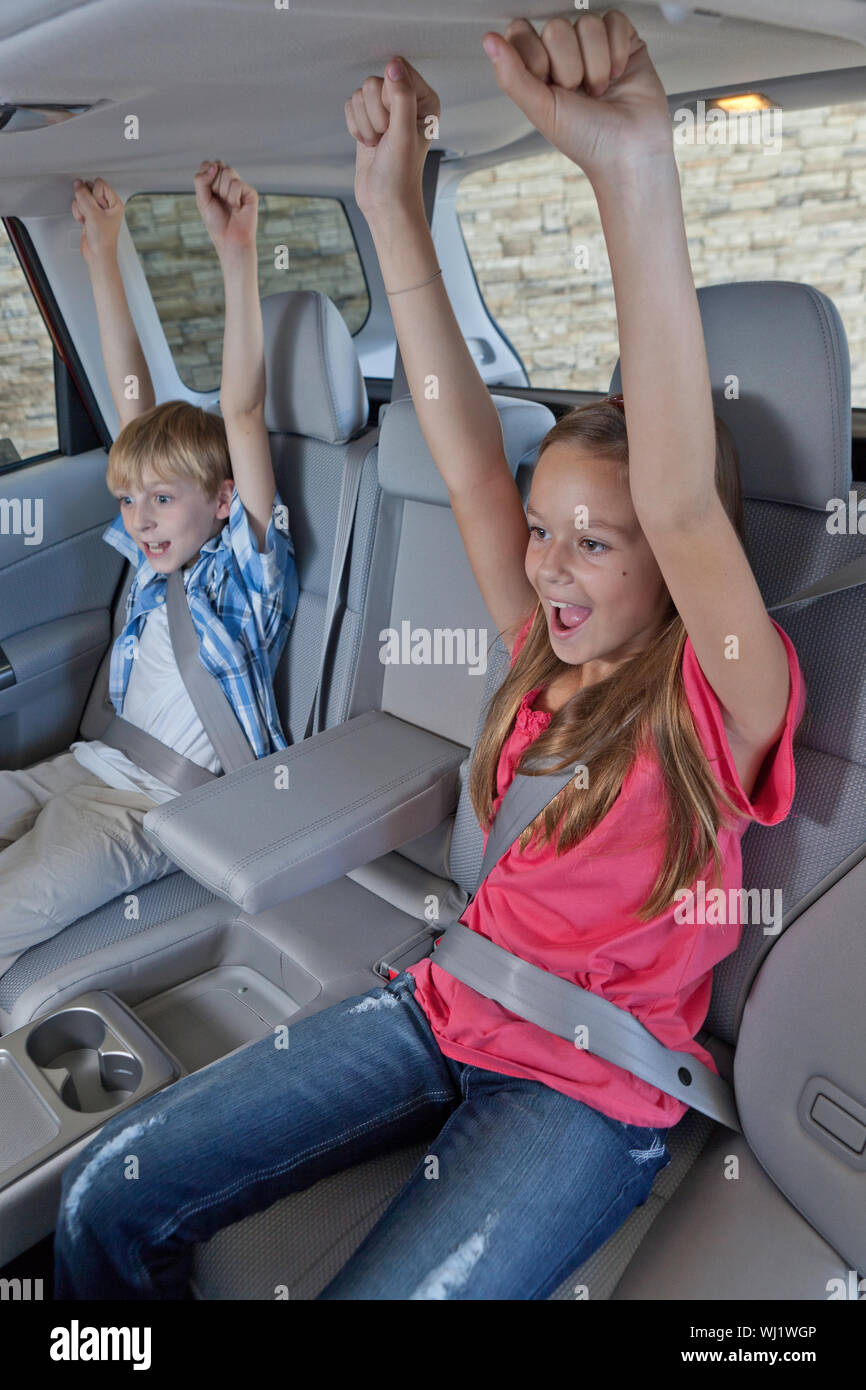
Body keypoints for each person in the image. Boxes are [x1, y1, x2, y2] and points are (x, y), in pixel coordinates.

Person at [53, 11, 805, 1302]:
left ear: (681, 561)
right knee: (100, 1200)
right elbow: (465, 456)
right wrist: (389, 208)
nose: (551, 565)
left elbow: (680, 498)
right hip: (446, 995)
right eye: (542, 532)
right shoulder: (538, 648)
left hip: (589, 1079)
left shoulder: (723, 694)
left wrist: (631, 175)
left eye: (595, 543)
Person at [0, 162, 298, 975]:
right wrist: (101, 255)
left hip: (154, 806)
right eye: (130, 503)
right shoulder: (156, 547)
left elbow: (241, 410)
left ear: (226, 499)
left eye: (161, 501)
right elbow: (133, 411)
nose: (139, 519)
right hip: (81, 766)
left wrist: (238, 257)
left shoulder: (247, 571)